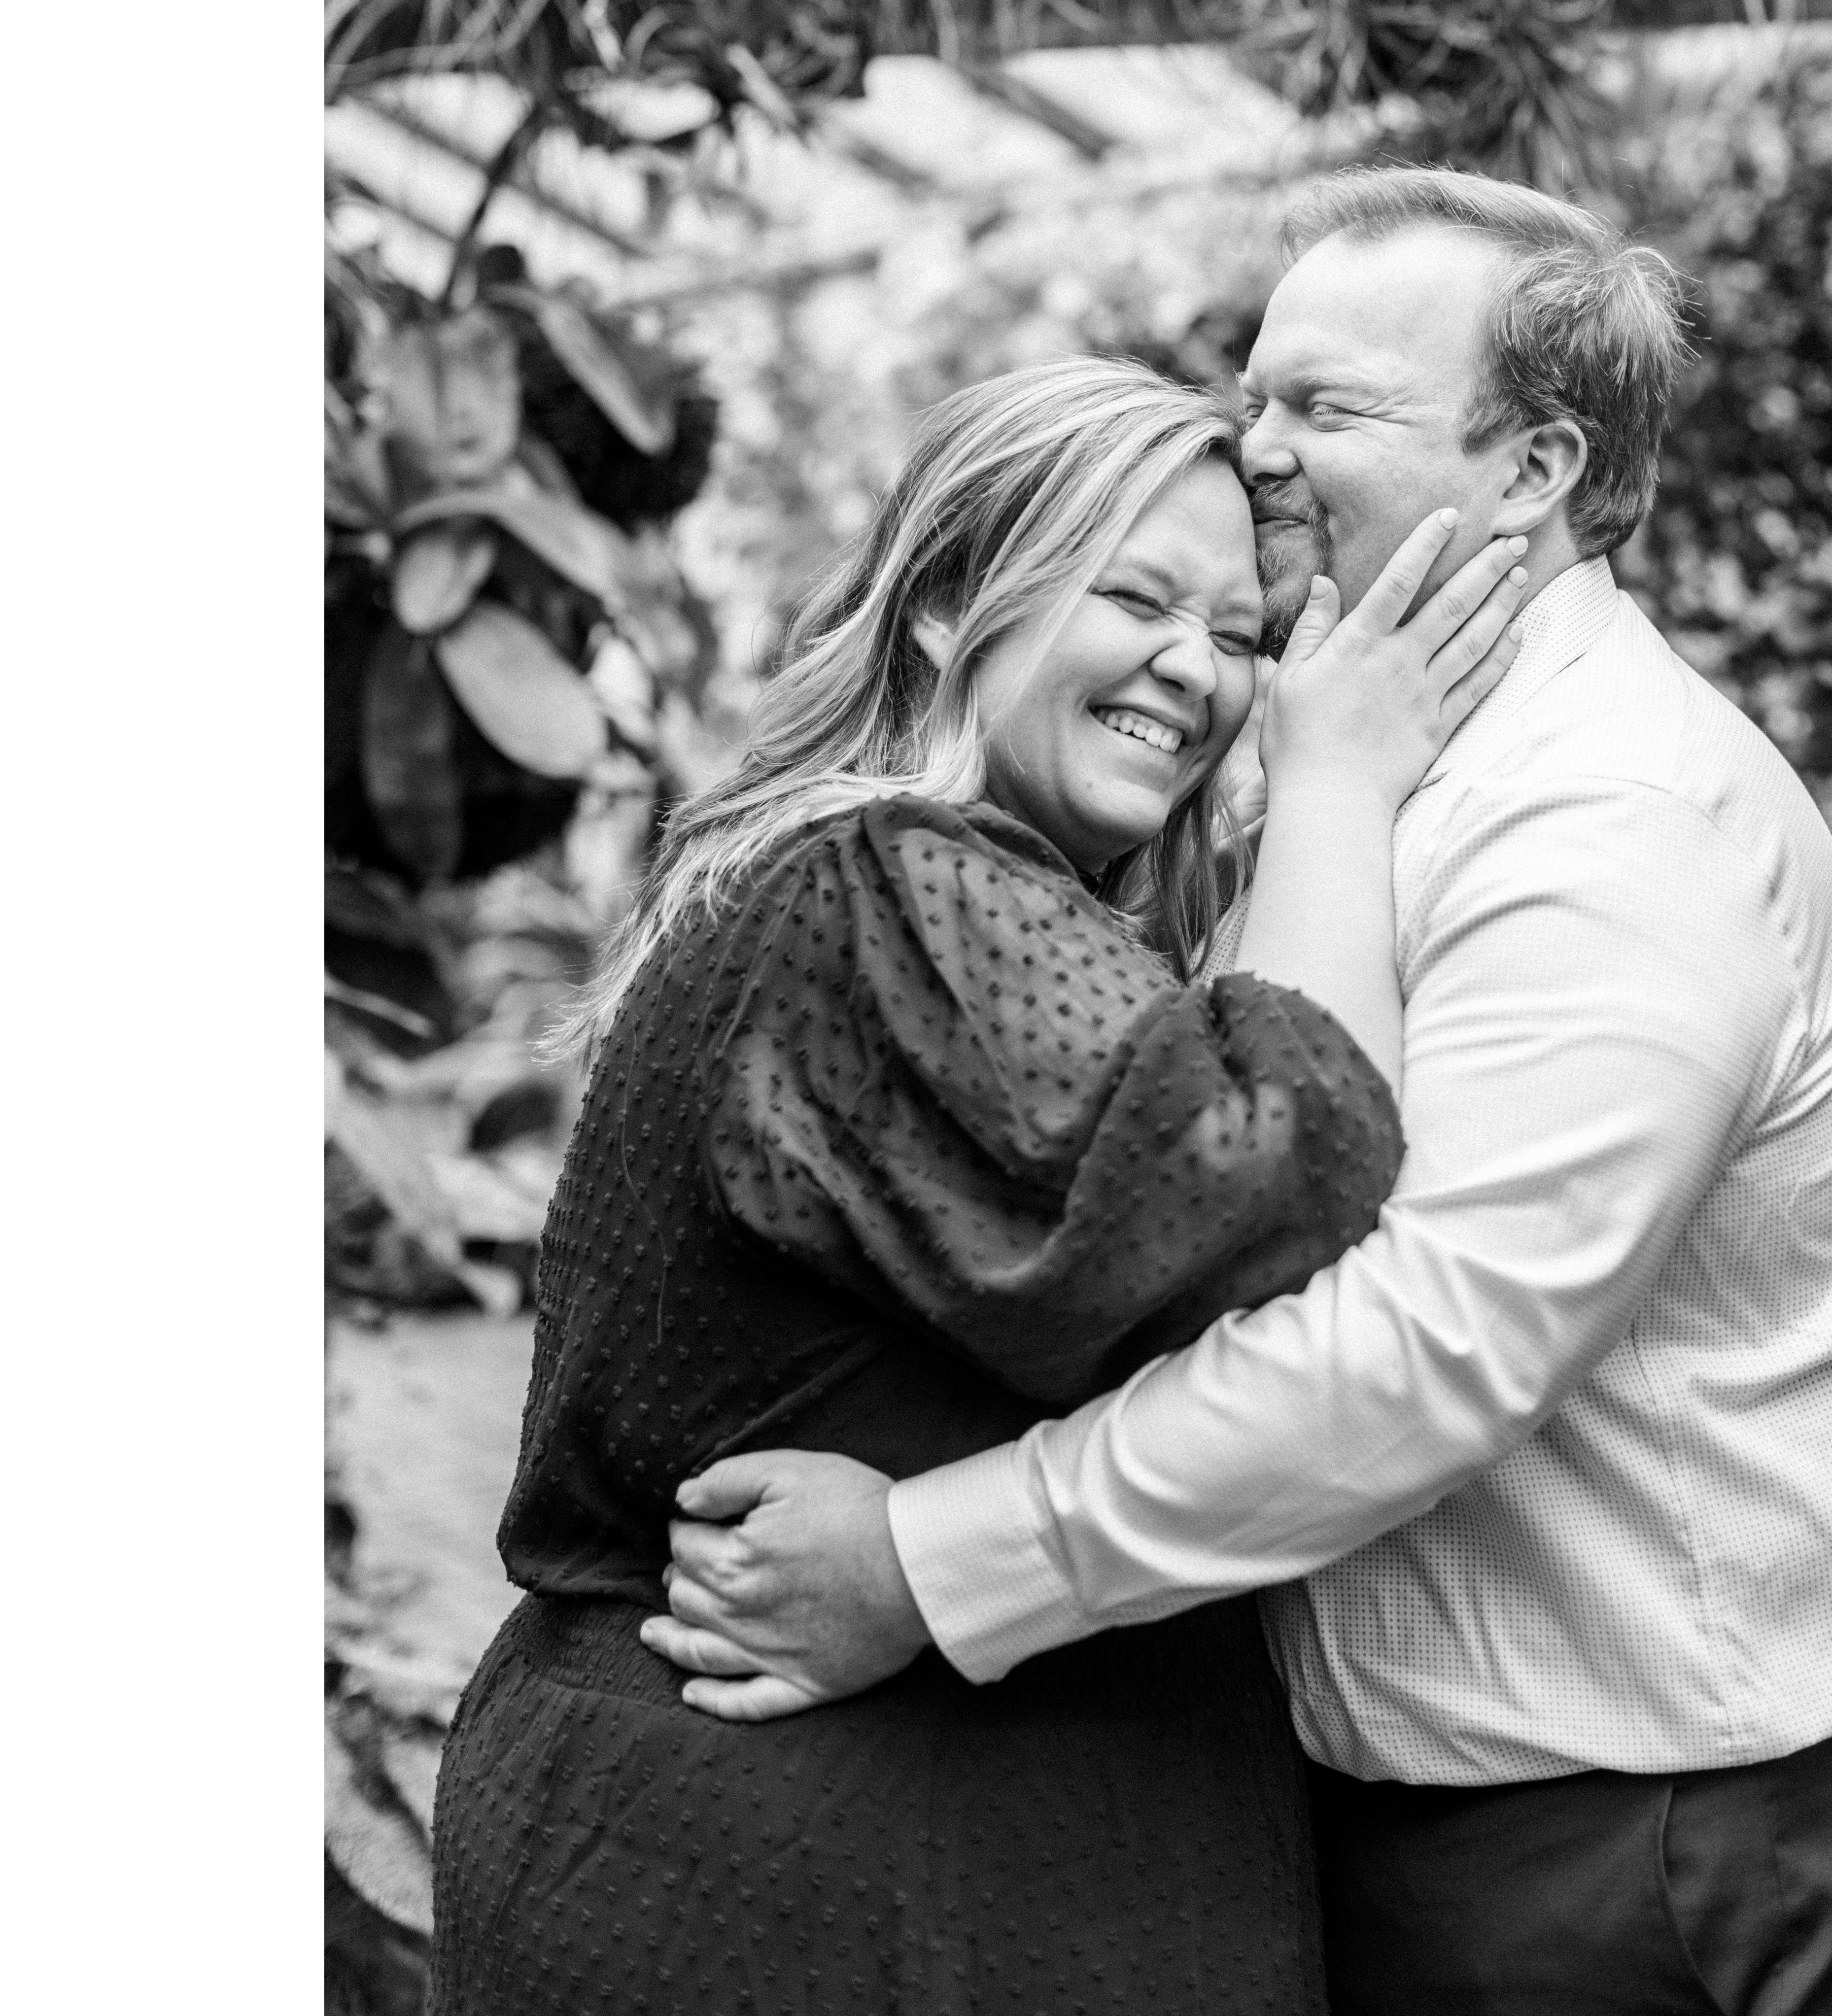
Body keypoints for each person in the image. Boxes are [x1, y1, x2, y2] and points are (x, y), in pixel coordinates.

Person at [645, 172, 1832, 2016]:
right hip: (1464, 1821)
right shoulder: (1359, 753)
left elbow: (1432, 1343)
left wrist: (928, 1562)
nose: (1254, 448)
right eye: (1254, 390)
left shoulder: (1610, 816)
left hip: (1666, 1845)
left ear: (1534, 468)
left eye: (1326, 408)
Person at [426, 353, 1531, 2016]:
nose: (1198, 669)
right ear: (949, 603)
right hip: (808, 1873)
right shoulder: (894, 878)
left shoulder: (897, 884)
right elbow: (1272, 1168)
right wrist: (1339, 784)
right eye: (1136, 598)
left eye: (1239, 636)